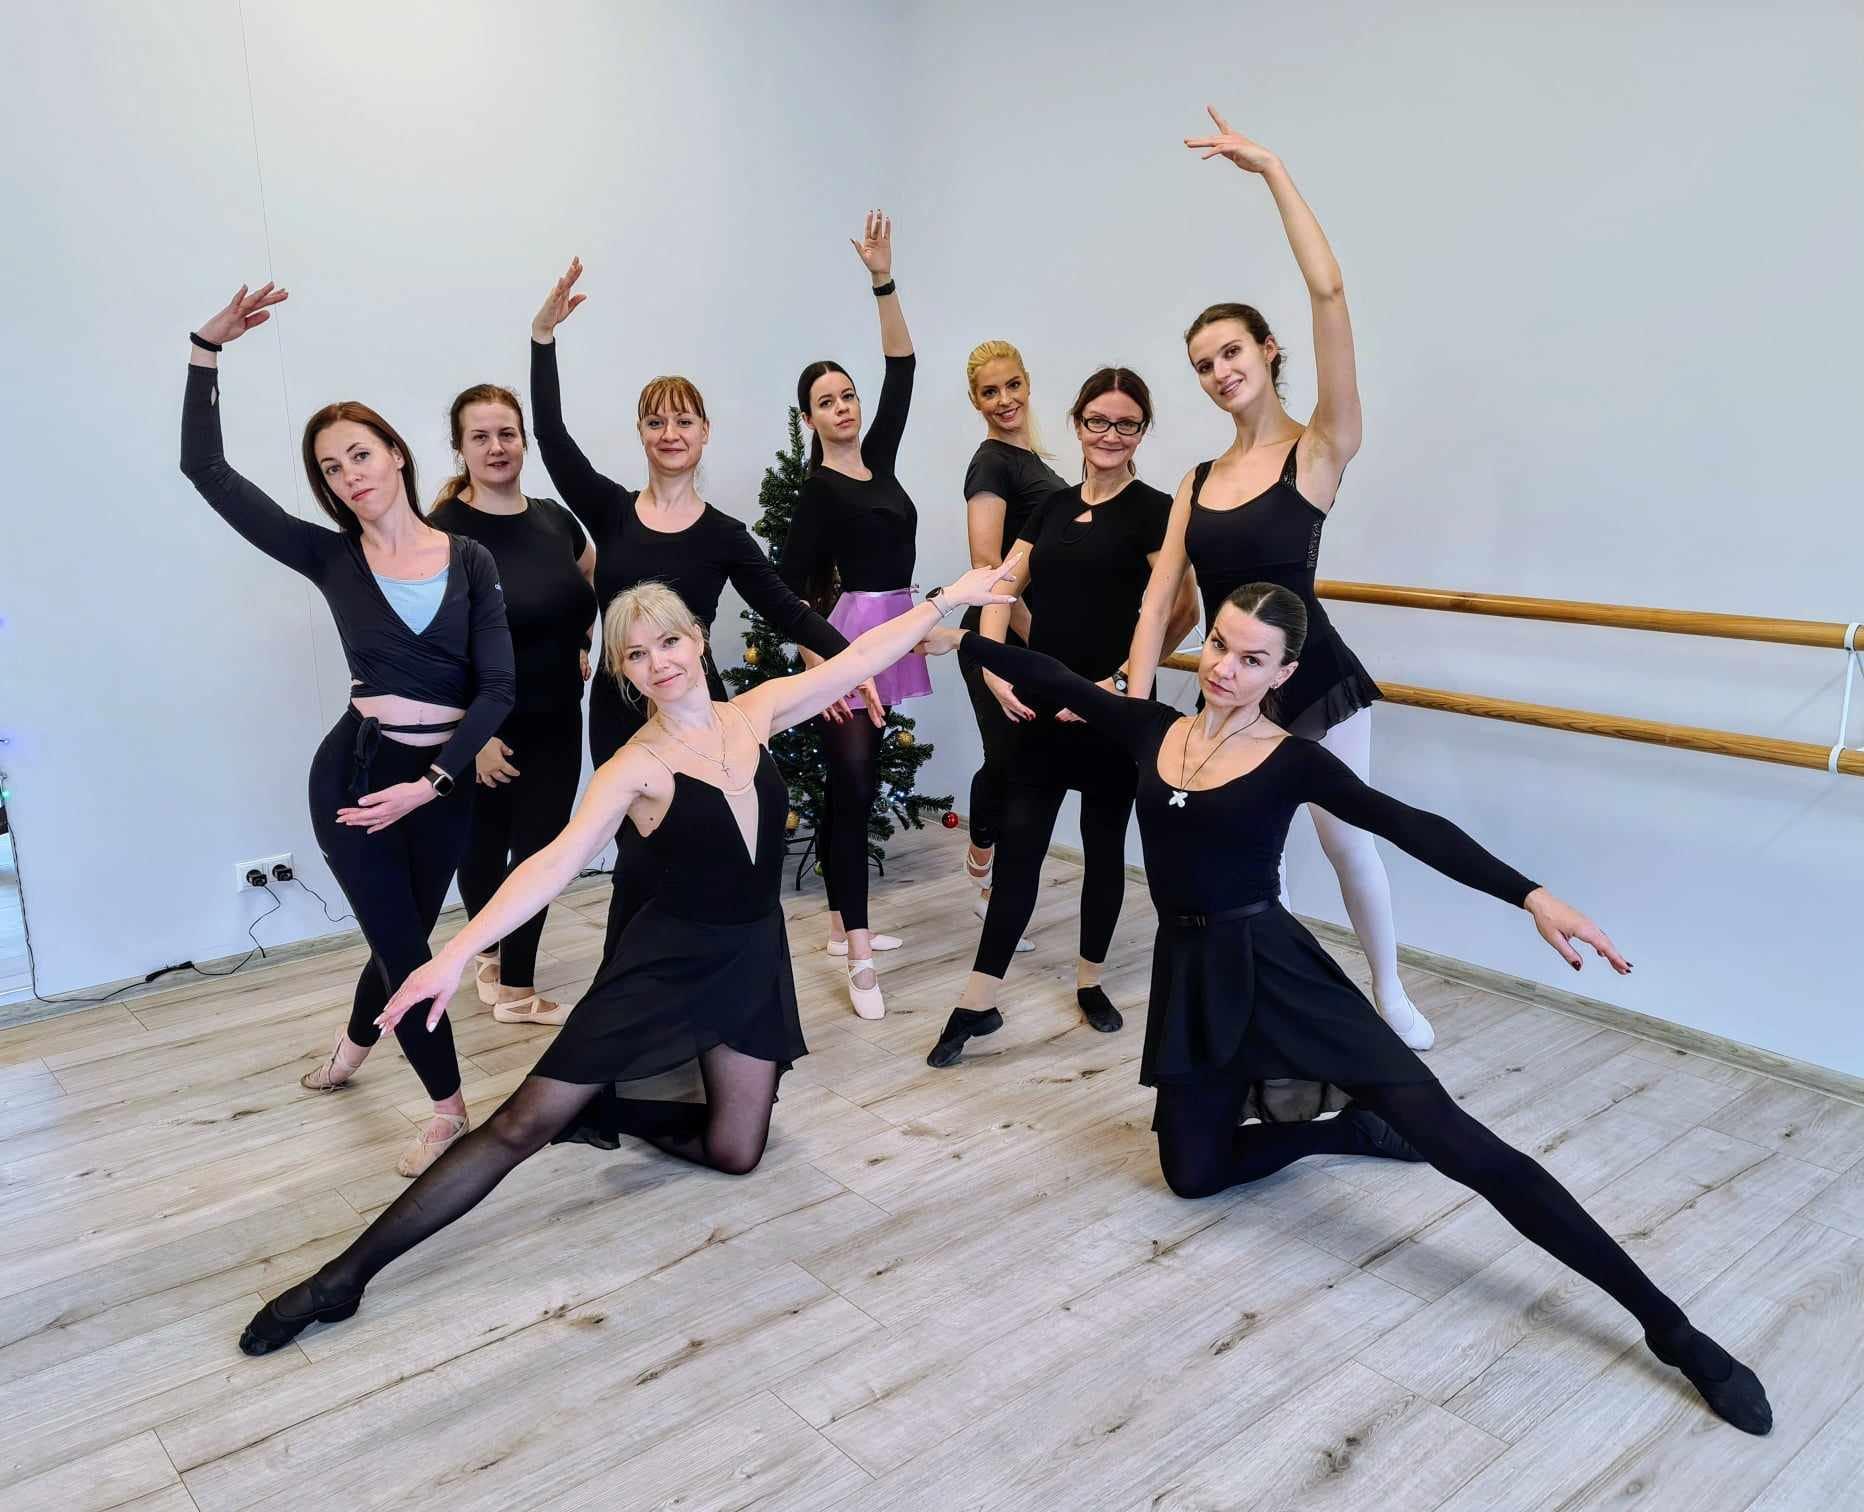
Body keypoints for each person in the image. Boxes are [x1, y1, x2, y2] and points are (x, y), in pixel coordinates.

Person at [922, 584, 1771, 1436]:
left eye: (1252, 659)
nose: (1225, 668)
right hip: (1192, 977)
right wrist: (953, 633)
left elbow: (1410, 824)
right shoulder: (1152, 728)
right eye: (1219, 646)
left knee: (1466, 1148)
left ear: (1283, 673)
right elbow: (1052, 676)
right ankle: (1342, 1133)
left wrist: (1531, 894)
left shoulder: (1294, 761)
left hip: (1276, 968)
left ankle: (1672, 1330)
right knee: (1193, 1176)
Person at [235, 558, 1018, 1357]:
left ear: (697, 639)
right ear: (624, 671)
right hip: (664, 962)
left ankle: (607, 1109)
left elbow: (862, 657)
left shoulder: (754, 712)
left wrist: (945, 600)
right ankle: (340, 1279)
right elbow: (552, 863)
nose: (658, 662)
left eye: (668, 642)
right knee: (519, 1125)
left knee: (737, 1153)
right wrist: (456, 952)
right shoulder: (634, 766)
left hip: (752, 955)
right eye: (636, 655)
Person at [179, 284, 513, 1176]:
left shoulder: (470, 559)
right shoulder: (329, 555)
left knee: (399, 933)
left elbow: (498, 690)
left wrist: (434, 782)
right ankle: (448, 1110)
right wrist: (206, 348)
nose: (349, 475)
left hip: (440, 785)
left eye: (360, 453)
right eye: (330, 468)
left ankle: (352, 1047)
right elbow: (206, 471)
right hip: (357, 777)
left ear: (396, 454)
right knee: (405, 945)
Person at [1124, 111, 1431, 1050]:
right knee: (1252, 862)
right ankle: (1279, 1007)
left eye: (1232, 352)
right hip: (1229, 686)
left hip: (1313, 677)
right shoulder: (1195, 480)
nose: (1219, 371)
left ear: (1267, 352)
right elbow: (1161, 597)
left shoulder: (1320, 449)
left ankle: (1388, 990)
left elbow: (1329, 291)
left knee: (1345, 840)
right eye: (1203, 365)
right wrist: (1132, 703)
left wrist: (1270, 171)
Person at [527, 258, 876, 966]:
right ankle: (629, 979)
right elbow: (553, 438)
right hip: (621, 709)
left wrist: (850, 661)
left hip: (699, 712)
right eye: (656, 421)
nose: (670, 432)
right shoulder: (609, 510)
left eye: (683, 420)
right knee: (637, 852)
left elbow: (786, 607)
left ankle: (709, 975)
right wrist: (543, 338)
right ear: (641, 433)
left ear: (705, 432)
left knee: (703, 844)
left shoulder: (724, 535)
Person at [929, 367, 1197, 1065]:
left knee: (1103, 848)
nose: (1110, 435)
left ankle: (1090, 981)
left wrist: (1122, 682)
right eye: (1098, 420)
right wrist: (994, 664)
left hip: (1109, 717)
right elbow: (1000, 584)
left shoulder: (1154, 511)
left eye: (1126, 424)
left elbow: (1183, 608)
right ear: (1078, 423)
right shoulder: (1049, 508)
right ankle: (978, 1000)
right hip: (1040, 709)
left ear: (1141, 432)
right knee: (1021, 846)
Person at [781, 210, 925, 1018]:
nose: (841, 407)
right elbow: (788, 588)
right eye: (825, 401)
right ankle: (860, 962)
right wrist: (822, 669)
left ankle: (842, 929)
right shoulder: (818, 490)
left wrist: (883, 280)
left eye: (846, 396)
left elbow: (903, 365)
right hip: (848, 646)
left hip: (894, 631)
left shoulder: (882, 458)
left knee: (849, 792)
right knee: (856, 783)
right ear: (808, 419)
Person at [429, 384, 597, 1024]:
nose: (496, 447)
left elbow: (587, 576)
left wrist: (581, 639)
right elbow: (431, 644)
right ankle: (495, 958)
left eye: (506, 434)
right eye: (481, 437)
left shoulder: (554, 520)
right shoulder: (442, 533)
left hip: (558, 715)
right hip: (486, 725)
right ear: (460, 448)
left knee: (543, 851)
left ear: (523, 440)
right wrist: (471, 738)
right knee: (483, 847)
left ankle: (515, 985)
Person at [956, 339, 1066, 940]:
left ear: (1027, 383)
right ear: (975, 401)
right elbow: (987, 566)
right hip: (1002, 641)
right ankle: (985, 862)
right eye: (990, 392)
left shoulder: (1037, 463)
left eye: (1012, 385)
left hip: (1037, 645)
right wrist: (1038, 633)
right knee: (1009, 764)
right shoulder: (991, 463)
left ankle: (994, 886)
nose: (1004, 400)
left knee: (1028, 769)